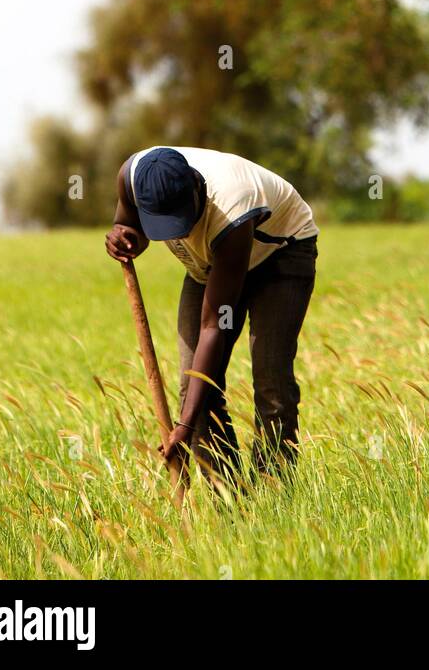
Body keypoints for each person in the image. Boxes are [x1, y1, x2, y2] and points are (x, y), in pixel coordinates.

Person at [105, 145, 317, 483]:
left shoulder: (232, 207)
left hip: (281, 255)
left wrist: (183, 427)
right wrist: (122, 236)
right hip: (208, 266)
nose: (177, 234)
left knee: (270, 382)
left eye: (180, 220)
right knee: (196, 392)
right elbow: (128, 225)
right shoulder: (131, 177)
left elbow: (213, 326)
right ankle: (231, 507)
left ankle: (274, 496)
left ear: (195, 188)